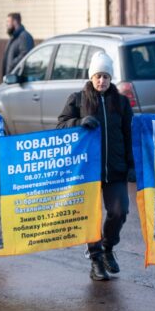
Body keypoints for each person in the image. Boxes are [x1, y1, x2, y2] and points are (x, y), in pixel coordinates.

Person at [57, 51, 134, 281]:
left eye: (106, 77)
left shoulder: (120, 103)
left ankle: (108, 248)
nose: (102, 81)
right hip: (87, 171)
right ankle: (96, 260)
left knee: (119, 212)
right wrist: (78, 122)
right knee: (90, 216)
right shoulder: (78, 100)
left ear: (111, 79)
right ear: (91, 77)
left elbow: (129, 134)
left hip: (116, 169)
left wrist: (131, 165)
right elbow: (60, 126)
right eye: (98, 76)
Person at [2, 12, 34, 77]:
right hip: (10, 78)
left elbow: (25, 55)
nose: (6, 24)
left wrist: (11, 64)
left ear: (15, 22)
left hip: (17, 80)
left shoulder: (24, 37)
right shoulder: (13, 37)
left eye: (8, 22)